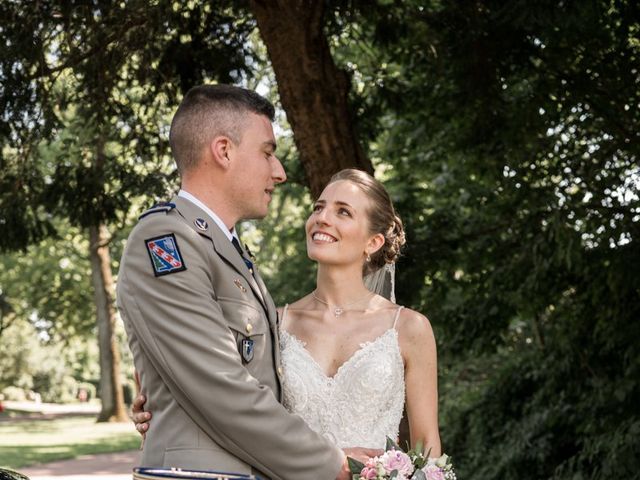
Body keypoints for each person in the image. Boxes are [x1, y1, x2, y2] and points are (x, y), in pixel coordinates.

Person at [117, 85, 378, 480]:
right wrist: (334, 465)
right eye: (268, 152)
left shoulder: (228, 251)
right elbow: (219, 389)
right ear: (224, 151)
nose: (280, 172)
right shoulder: (166, 241)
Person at [133, 169, 442, 458]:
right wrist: (157, 404)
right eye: (319, 208)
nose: (322, 218)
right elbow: (221, 393)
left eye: (342, 212)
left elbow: (427, 448)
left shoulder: (409, 328)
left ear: (373, 242)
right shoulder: (274, 322)